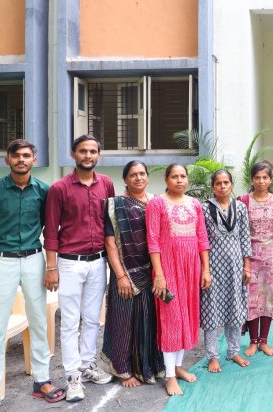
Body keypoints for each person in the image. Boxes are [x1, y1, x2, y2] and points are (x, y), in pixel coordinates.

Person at [0, 139, 64, 411]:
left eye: (27, 156)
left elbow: (49, 227)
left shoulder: (44, 191)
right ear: (8, 160)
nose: (21, 160)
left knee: (38, 321)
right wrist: (0, 253)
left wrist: (50, 265)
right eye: (16, 156)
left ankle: (42, 380)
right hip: (2, 260)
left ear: (34, 160)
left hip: (34, 260)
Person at [43, 135, 115, 402]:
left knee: (93, 318)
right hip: (70, 263)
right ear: (73, 154)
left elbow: (110, 225)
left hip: (98, 262)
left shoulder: (106, 184)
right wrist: (51, 267)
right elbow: (50, 230)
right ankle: (72, 375)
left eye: (93, 151)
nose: (88, 155)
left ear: (99, 155)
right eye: (83, 151)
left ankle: (87, 366)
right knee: (70, 321)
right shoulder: (59, 188)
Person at [147, 163, 211, 396]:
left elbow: (202, 237)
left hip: (191, 267)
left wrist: (205, 269)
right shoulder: (157, 203)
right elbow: (153, 240)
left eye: (183, 176)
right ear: (166, 179)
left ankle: (178, 366)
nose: (179, 180)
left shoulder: (195, 204)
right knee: (171, 318)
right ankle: (170, 376)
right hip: (168, 269)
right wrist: (160, 274)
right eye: (174, 176)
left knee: (187, 315)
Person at [101, 161, 165, 387]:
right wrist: (120, 276)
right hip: (125, 272)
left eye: (142, 174)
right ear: (125, 179)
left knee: (149, 321)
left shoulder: (157, 202)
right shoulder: (115, 205)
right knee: (123, 320)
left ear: (147, 176)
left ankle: (150, 366)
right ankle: (123, 369)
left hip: (152, 271)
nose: (138, 178)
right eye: (133, 175)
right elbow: (110, 243)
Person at [201, 170, 252, 372]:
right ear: (213, 187)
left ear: (231, 184)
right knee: (211, 309)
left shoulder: (239, 207)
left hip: (235, 267)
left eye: (226, 182)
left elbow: (245, 237)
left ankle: (233, 351)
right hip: (212, 265)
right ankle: (212, 355)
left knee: (235, 308)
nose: (222, 186)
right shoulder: (204, 209)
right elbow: (202, 239)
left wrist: (247, 266)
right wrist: (204, 269)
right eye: (218, 183)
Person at [240, 162, 273, 357]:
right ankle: (252, 341)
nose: (261, 181)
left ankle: (264, 341)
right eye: (257, 177)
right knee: (250, 298)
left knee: (268, 298)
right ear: (252, 179)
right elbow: (240, 233)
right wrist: (244, 262)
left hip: (271, 256)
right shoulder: (242, 200)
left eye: (265, 177)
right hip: (249, 255)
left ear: (271, 180)